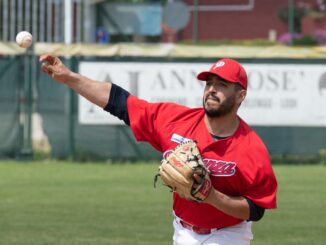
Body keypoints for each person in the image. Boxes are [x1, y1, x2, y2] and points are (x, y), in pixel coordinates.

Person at [39, 55, 277, 245]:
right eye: (209, 83)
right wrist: (68, 77)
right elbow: (119, 102)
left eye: (222, 85)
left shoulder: (251, 147)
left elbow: (255, 210)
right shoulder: (175, 121)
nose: (212, 90)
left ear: (240, 95)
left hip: (228, 235)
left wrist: (211, 195)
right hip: (182, 232)